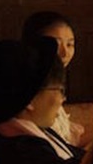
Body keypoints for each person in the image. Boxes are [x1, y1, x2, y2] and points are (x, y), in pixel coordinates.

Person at [21, 11, 87, 146]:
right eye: (56, 45)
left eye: (70, 45)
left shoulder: (54, 83)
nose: (65, 53)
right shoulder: (34, 92)